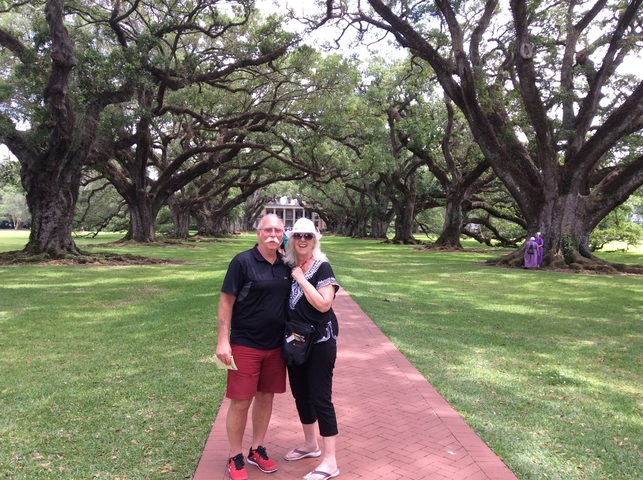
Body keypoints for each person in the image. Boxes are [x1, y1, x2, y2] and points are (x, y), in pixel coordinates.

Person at [216, 214, 291, 480]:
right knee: (240, 402)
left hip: (275, 345)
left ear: (284, 234)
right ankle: (235, 455)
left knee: (266, 397)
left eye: (278, 231)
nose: (273, 234)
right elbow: (226, 302)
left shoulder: (286, 264)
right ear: (258, 233)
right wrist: (223, 340)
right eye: (268, 230)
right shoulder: (242, 262)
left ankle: (256, 449)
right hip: (245, 343)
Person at [282, 217, 341, 480]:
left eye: (307, 236)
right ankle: (310, 445)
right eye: (298, 236)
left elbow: (324, 304)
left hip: (320, 343)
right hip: (296, 342)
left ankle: (330, 461)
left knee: (320, 398)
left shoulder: (321, 266)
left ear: (314, 239)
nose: (302, 240)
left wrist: (301, 278)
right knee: (301, 395)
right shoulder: (289, 264)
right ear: (291, 239)